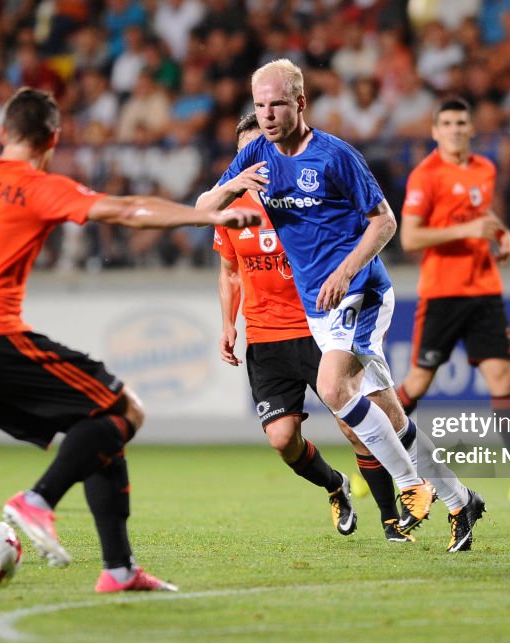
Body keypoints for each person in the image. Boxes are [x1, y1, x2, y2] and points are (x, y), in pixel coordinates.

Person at [0, 78, 261, 592]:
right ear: (53, 141)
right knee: (126, 410)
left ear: (2, 131)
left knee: (95, 430)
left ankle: (119, 570)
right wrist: (207, 215)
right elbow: (128, 209)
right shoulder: (40, 186)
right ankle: (38, 499)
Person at [197, 59, 484, 552]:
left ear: (300, 102)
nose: (266, 115)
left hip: (361, 291)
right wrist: (233, 187)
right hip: (320, 306)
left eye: (277, 104)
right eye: (259, 105)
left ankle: (411, 485)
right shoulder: (257, 157)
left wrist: (345, 270)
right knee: (390, 417)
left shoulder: (335, 156)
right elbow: (203, 209)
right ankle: (460, 500)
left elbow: (385, 223)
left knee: (333, 387)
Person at [213, 112, 411, 542]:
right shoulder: (230, 211)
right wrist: (228, 324)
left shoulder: (297, 200)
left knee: (350, 420)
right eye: (248, 155)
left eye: (262, 152)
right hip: (265, 337)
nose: (258, 163)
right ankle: (335, 485)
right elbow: (229, 270)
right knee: (283, 440)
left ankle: (391, 519)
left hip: (316, 324)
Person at [395, 98, 510, 509]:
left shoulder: (485, 169)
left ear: (470, 130)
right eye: (445, 122)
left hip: (484, 289)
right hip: (442, 293)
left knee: (504, 380)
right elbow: (411, 238)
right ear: (434, 131)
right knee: (418, 383)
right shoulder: (425, 175)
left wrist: (503, 233)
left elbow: (479, 213)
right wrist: (469, 229)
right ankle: (376, 457)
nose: (453, 128)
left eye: (460, 122)